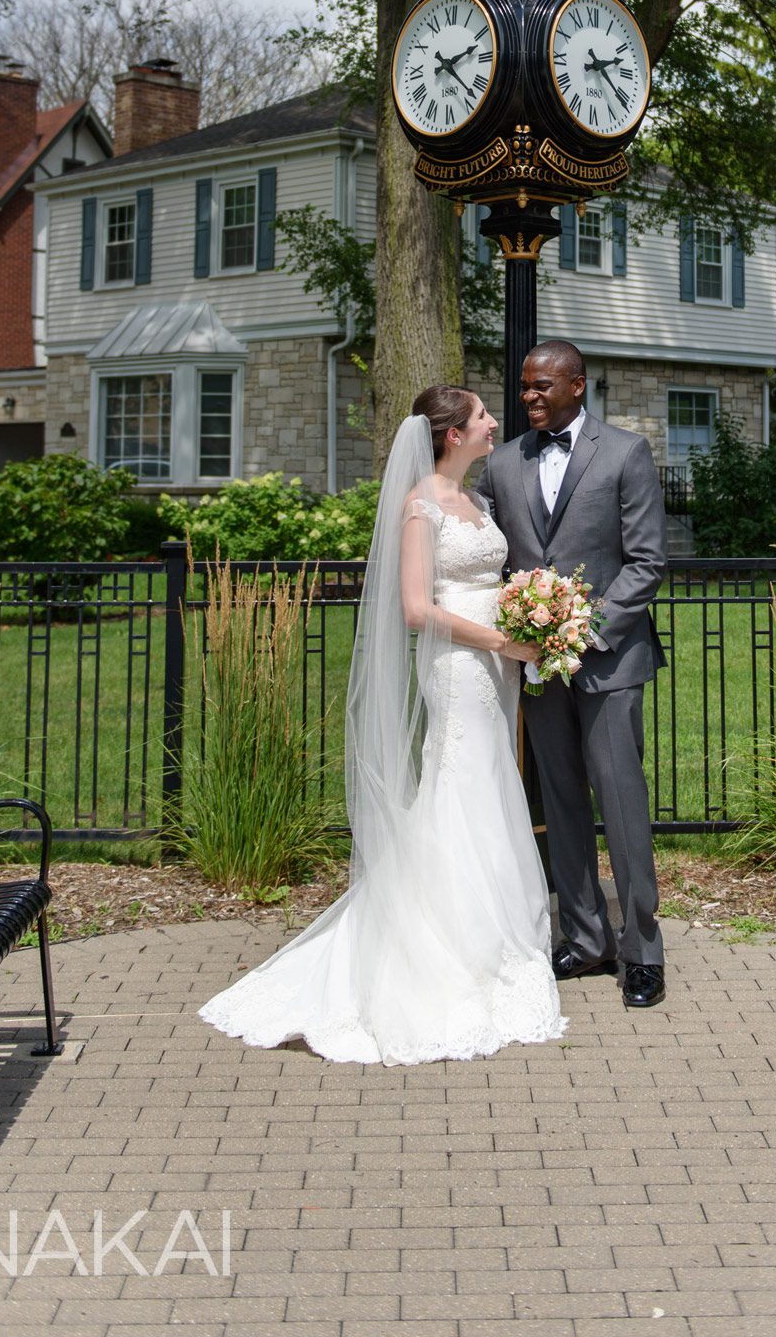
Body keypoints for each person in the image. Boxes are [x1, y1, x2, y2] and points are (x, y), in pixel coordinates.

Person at [199, 386, 566, 1065]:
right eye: (483, 416)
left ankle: (494, 931)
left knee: (490, 783)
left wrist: (528, 610)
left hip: (500, 666)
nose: (494, 425)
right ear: (453, 434)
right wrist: (502, 643)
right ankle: (453, 943)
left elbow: (490, 579)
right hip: (461, 667)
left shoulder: (479, 502)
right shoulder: (419, 506)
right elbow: (415, 610)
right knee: (461, 782)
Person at [474, 340, 668, 1008]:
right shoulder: (500, 467)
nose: (529, 396)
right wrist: (526, 633)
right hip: (539, 673)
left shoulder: (625, 454)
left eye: (542, 386)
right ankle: (585, 939)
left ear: (577, 386)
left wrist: (580, 632)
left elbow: (646, 562)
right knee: (559, 804)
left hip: (610, 661)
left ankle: (642, 951)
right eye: (524, 386)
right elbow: (491, 564)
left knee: (620, 804)